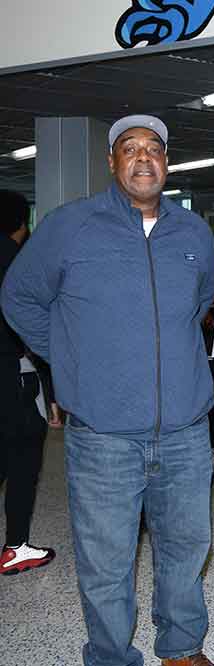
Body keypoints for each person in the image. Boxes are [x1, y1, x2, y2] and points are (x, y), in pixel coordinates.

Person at [1, 115, 214, 666]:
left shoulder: (193, 233)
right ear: (112, 161)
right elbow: (19, 298)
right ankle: (110, 656)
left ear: (166, 162)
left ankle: (182, 647)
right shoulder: (69, 226)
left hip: (185, 431)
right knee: (105, 561)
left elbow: (199, 306)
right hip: (102, 437)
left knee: (186, 549)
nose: (143, 158)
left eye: (154, 149)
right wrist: (74, 358)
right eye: (130, 149)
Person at [0, 189, 55, 576]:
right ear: (23, 223)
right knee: (22, 457)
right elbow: (38, 327)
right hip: (9, 373)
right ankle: (15, 547)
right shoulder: (18, 262)